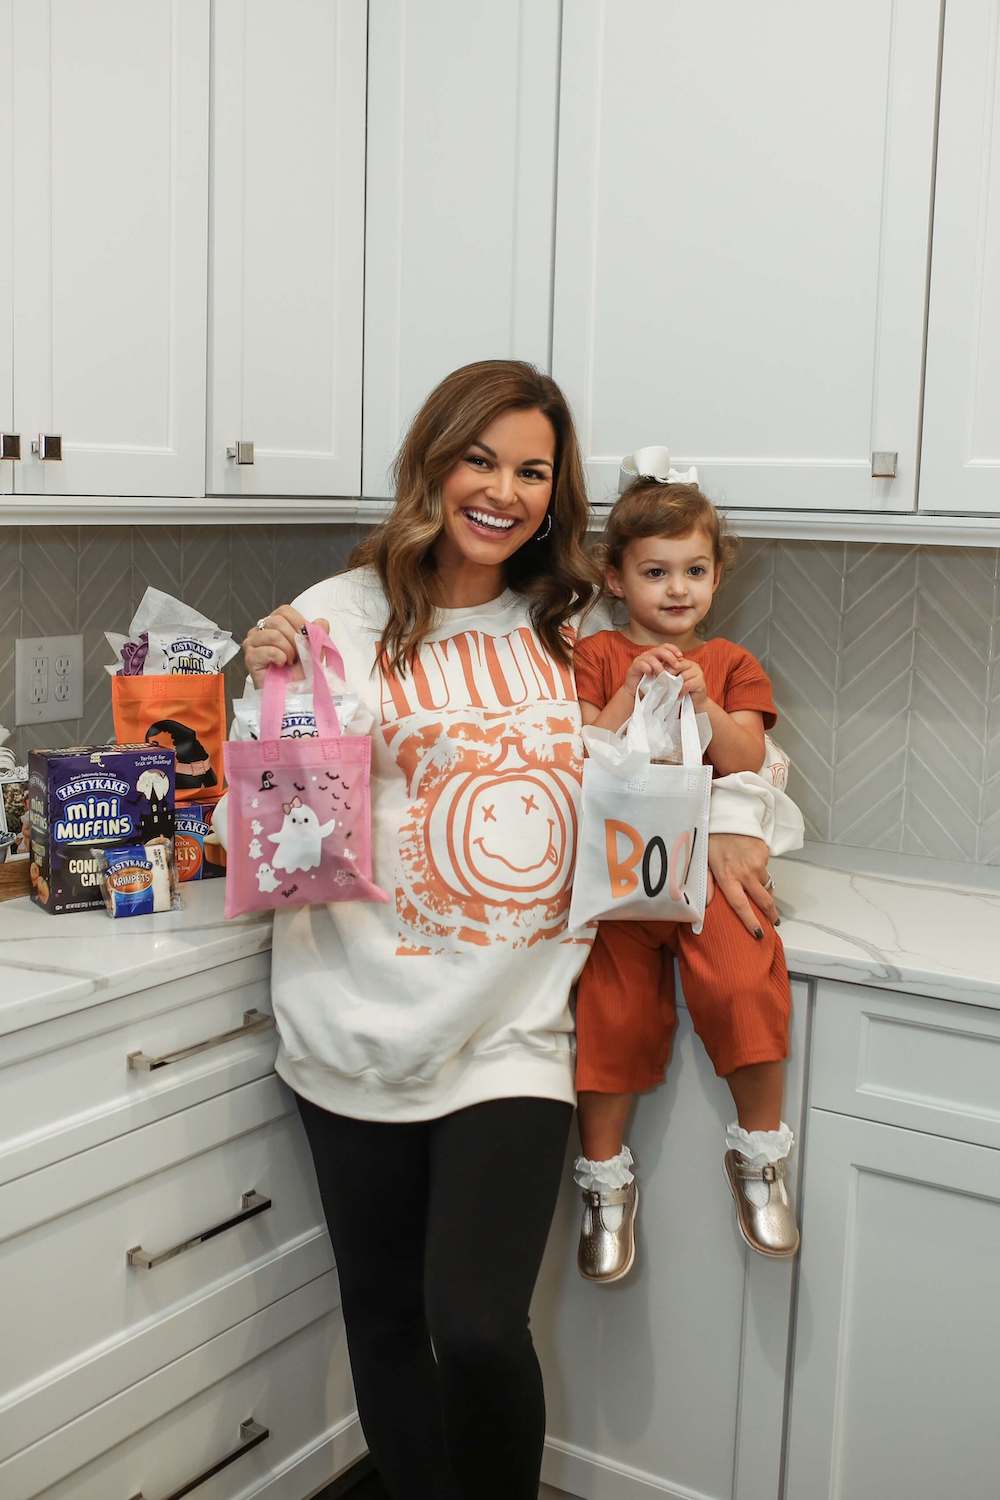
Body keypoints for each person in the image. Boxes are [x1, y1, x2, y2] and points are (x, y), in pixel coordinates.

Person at [241, 369, 786, 1498]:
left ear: (557, 489)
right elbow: (282, 828)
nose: (501, 490)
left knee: (480, 1328)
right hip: (352, 1020)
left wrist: (736, 822)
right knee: (387, 1322)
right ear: (430, 461)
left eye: (531, 470)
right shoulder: (337, 616)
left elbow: (702, 749)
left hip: (518, 1029)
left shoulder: (571, 627)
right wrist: (268, 695)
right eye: (477, 458)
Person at [571, 468, 801, 1285]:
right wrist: (630, 692)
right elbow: (578, 754)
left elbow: (750, 760)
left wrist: (701, 707)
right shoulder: (595, 654)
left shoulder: (731, 661)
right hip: (623, 869)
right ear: (616, 577)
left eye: (695, 570)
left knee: (746, 982)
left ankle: (760, 1157)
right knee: (611, 1010)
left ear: (716, 575)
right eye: (655, 571)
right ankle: (605, 1183)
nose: (678, 588)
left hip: (708, 869)